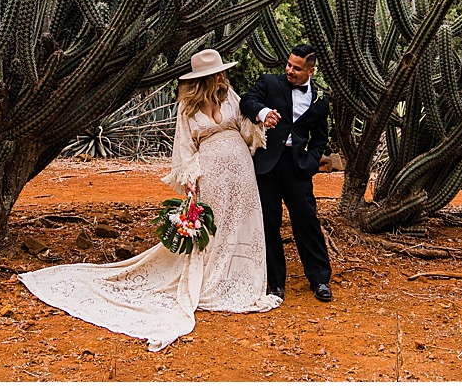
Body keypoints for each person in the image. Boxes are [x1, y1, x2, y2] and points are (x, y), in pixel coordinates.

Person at [18, 49, 279, 351]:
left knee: (243, 225)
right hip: (212, 177)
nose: (223, 76)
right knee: (217, 232)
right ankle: (213, 281)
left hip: (242, 175)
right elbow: (184, 149)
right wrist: (191, 188)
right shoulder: (187, 108)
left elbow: (245, 130)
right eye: (218, 73)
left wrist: (260, 123)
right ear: (206, 78)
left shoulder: (229, 95)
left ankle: (245, 279)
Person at [241, 43, 334, 302]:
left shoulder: (320, 99)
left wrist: (311, 161)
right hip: (268, 165)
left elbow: (320, 138)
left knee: (306, 221)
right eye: (289, 65)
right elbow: (247, 100)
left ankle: (319, 279)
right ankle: (275, 284)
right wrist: (263, 113)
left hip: (297, 167)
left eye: (297, 68)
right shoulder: (270, 83)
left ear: (310, 71)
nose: (290, 70)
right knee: (269, 223)